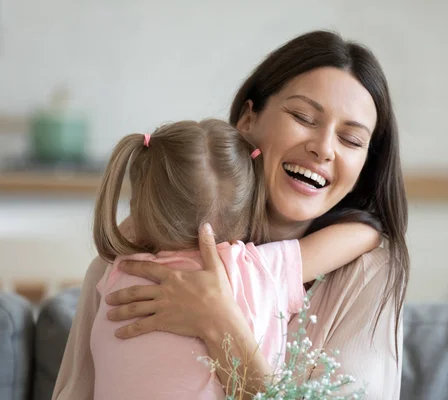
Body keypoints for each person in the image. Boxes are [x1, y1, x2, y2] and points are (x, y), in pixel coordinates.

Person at [53, 30, 409, 400]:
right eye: (304, 116)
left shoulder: (368, 273)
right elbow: (77, 388)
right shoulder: (135, 247)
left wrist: (219, 324)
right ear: (247, 119)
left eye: (351, 140)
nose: (323, 149)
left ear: (366, 166)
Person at [88, 118, 380, 399]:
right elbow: (365, 235)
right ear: (250, 211)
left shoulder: (117, 270)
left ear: (136, 206)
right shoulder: (249, 269)